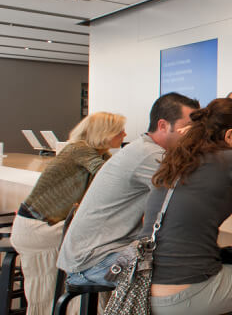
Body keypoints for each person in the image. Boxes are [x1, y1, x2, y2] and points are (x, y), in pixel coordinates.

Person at [143, 98, 232, 315]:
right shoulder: (230, 159)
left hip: (147, 287)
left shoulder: (177, 158)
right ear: (229, 135)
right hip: (185, 291)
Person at [57, 93, 199, 288]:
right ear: (163, 125)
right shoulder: (151, 155)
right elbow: (193, 194)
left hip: (90, 254)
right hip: (95, 260)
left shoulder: (141, 148)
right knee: (182, 276)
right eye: (188, 128)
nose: (192, 135)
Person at [10, 112, 127, 315]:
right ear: (104, 133)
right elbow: (108, 177)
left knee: (95, 254)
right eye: (119, 131)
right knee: (96, 256)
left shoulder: (100, 154)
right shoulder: (79, 149)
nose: (125, 134)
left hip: (48, 225)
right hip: (38, 228)